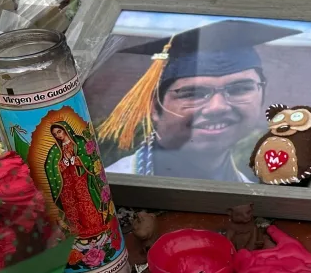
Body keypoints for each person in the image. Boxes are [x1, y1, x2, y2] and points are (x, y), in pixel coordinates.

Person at [102, 19, 298, 182]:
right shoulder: (112, 186)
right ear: (154, 107)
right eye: (193, 93)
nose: (217, 107)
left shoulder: (252, 190)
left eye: (239, 89)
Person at [45, 120, 113, 239]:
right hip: (67, 182)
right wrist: (64, 162)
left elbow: (89, 157)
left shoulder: (79, 141)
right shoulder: (55, 150)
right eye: (55, 134)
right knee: (71, 204)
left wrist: (74, 159)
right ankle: (77, 229)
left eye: (59, 131)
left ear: (65, 129)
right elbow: (50, 166)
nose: (58, 135)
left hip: (81, 178)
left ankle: (93, 226)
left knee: (85, 201)